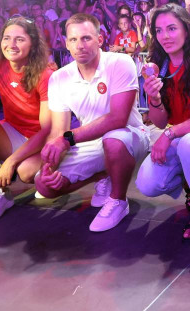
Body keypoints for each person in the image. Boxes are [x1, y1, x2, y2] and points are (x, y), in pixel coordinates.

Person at [34, 13, 149, 232]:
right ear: (66, 43)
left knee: (114, 140)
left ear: (100, 39)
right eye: (73, 40)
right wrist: (49, 166)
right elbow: (59, 130)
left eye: (86, 38)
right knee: (43, 185)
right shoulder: (59, 78)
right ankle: (102, 174)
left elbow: (118, 118)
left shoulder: (120, 62)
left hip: (130, 134)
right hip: (90, 140)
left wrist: (67, 139)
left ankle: (118, 201)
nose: (80, 45)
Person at [135, 4, 190, 241]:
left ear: (187, 29)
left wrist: (169, 134)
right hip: (183, 135)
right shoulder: (159, 66)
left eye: (172, 28)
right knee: (147, 184)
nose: (165, 36)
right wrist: (154, 98)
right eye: (159, 30)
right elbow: (160, 120)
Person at [0, 17, 55, 217]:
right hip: (13, 131)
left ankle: (61, 168)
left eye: (19, 39)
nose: (11, 45)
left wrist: (11, 161)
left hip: (41, 139)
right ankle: (1, 195)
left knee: (26, 173)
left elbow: (47, 129)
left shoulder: (44, 74)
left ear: (32, 44)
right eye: (7, 38)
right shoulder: (0, 66)